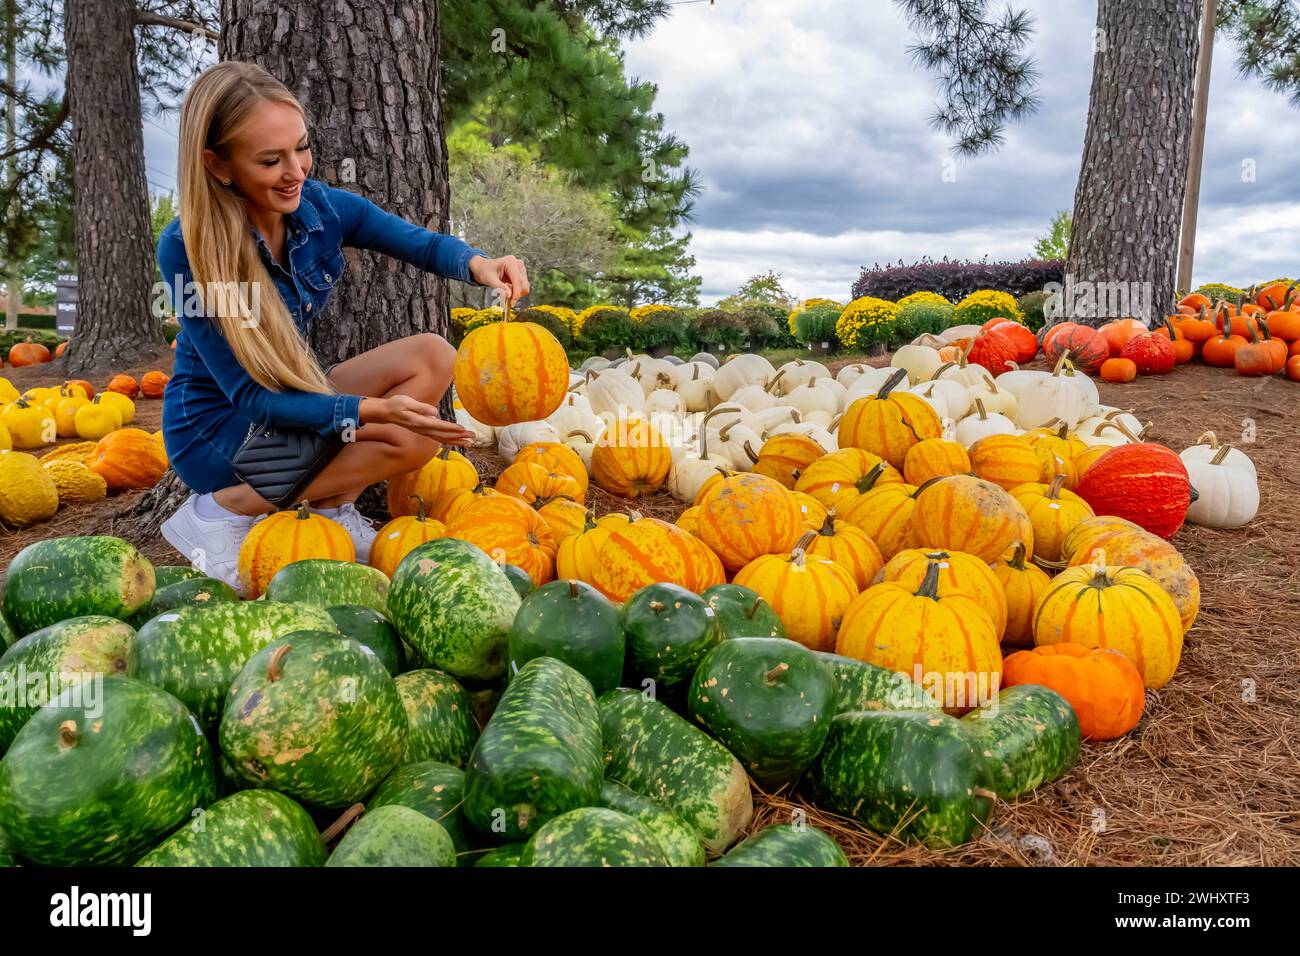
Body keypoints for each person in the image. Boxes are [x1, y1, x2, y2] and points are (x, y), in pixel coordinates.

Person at [157, 61, 528, 593]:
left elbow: (419, 243)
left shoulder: (323, 210)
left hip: (293, 403)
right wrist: (364, 411)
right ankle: (221, 511)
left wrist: (481, 265)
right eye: (270, 160)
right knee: (411, 442)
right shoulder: (188, 247)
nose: (297, 171)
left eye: (301, 148)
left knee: (433, 355)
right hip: (220, 433)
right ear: (218, 164)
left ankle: (329, 510)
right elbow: (252, 399)